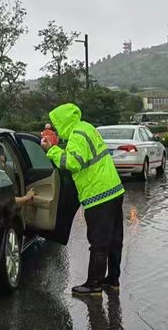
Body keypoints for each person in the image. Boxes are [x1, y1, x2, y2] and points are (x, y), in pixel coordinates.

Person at [41, 103, 125, 297]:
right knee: (114, 239)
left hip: (98, 194)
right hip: (113, 189)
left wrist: (51, 149)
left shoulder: (77, 135)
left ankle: (94, 284)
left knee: (98, 242)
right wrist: (59, 145)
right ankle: (112, 280)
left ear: (63, 121)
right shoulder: (86, 128)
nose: (54, 128)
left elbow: (72, 163)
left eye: (55, 124)